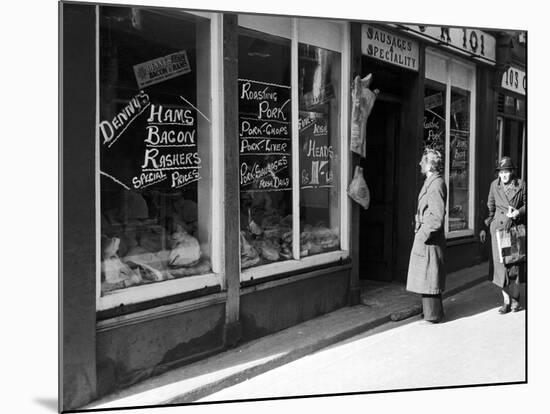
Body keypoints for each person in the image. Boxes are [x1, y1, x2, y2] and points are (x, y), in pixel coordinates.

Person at [480, 156, 526, 313]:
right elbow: (490, 208)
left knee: (515, 265)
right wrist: (484, 226)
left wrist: (518, 212)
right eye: (501, 172)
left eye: (506, 172)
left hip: (514, 230)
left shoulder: (521, 185)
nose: (504, 175)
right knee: (501, 268)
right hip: (499, 231)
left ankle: (516, 299)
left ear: (512, 172)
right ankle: (506, 302)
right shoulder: (494, 185)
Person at [407, 149, 447, 323]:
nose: (419, 164)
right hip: (428, 237)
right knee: (427, 276)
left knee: (430, 276)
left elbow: (437, 217)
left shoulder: (436, 184)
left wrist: (423, 234)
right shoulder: (431, 182)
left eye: (423, 161)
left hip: (430, 239)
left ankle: (433, 315)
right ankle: (431, 312)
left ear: (430, 164)